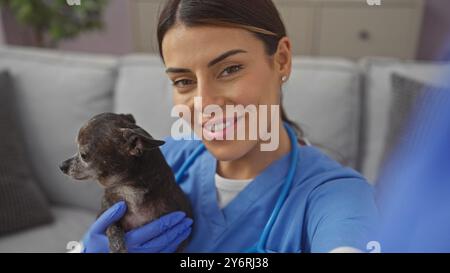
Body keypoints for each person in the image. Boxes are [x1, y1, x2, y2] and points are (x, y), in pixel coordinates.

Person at [80, 0, 378, 253]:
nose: (205, 102)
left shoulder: (336, 194)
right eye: (184, 81)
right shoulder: (158, 160)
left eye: (230, 69)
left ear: (282, 60)